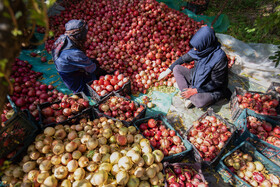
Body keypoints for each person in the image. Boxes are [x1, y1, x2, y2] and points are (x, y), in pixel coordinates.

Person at [158, 26, 231, 108]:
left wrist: (195, 90)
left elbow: (216, 83)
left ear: (206, 43)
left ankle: (188, 92)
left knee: (200, 102)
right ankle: (188, 93)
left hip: (211, 87)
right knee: (177, 69)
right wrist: (168, 70)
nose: (195, 49)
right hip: (196, 76)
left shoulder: (219, 59)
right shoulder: (201, 49)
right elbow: (184, 58)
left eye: (197, 47)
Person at [52, 19, 105, 96]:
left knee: (93, 63)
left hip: (65, 66)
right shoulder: (74, 53)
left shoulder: (62, 38)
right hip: (70, 75)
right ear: (78, 35)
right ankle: (81, 92)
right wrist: (106, 74)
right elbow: (93, 69)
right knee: (87, 88)